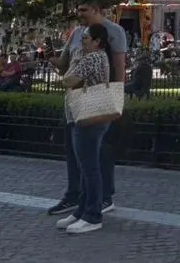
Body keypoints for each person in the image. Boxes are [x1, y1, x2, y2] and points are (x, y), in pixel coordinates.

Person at [46, 0, 127, 218]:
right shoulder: (76, 34)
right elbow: (66, 65)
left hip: (97, 100)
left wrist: (117, 98)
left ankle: (102, 199)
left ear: (96, 9)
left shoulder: (114, 32)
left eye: (83, 10)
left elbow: (119, 67)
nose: (79, 14)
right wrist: (53, 59)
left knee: (98, 153)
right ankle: (76, 196)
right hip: (74, 101)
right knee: (75, 152)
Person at [55, 22, 114, 235]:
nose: (82, 41)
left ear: (98, 41)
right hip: (86, 116)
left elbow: (68, 79)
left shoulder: (92, 58)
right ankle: (81, 211)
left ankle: (92, 215)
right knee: (85, 167)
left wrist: (74, 61)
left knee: (89, 168)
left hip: (88, 116)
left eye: (87, 38)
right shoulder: (98, 57)